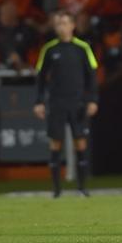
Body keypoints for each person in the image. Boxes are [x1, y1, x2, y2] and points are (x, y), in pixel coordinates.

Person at [34, 11, 98, 198]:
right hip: (56, 102)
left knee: (80, 142)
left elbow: (92, 76)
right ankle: (56, 189)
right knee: (55, 143)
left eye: (64, 23)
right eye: (58, 24)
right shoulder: (49, 49)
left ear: (72, 25)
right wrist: (39, 101)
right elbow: (40, 78)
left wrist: (93, 100)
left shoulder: (82, 47)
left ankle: (82, 187)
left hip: (78, 102)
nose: (61, 26)